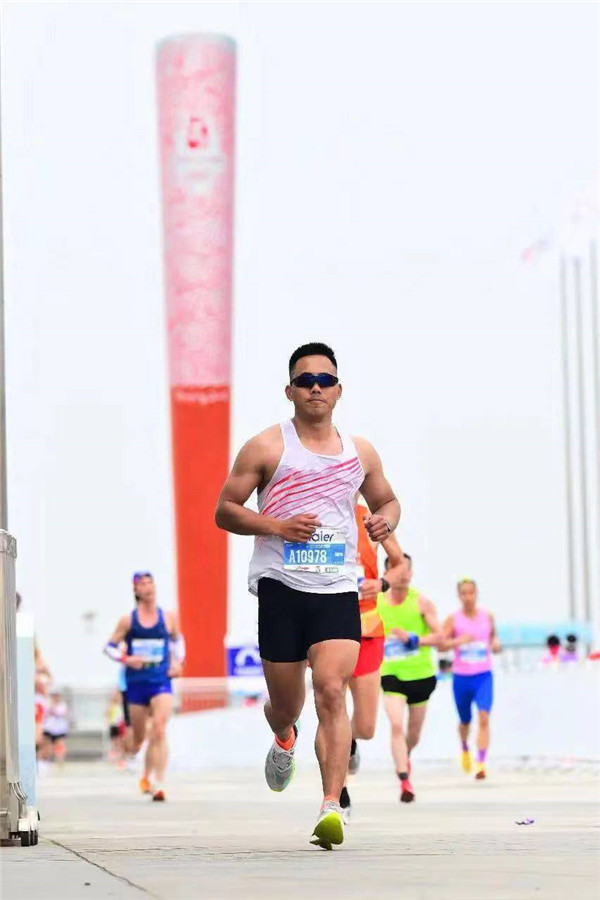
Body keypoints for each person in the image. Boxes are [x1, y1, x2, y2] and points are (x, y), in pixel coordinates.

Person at [215, 342, 400, 849]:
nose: (315, 387)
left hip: (336, 587)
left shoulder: (360, 452)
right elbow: (225, 509)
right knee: (286, 704)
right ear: (290, 390)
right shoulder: (266, 447)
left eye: (324, 380)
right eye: (305, 380)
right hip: (280, 586)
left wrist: (386, 522)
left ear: (338, 390)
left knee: (332, 690)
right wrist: (278, 525)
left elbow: (386, 500)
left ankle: (330, 805)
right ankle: (284, 735)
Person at [340, 497, 404, 822]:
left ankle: (350, 741)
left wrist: (381, 583)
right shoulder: (313, 509)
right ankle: (337, 794)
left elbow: (401, 564)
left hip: (367, 628)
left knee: (366, 727)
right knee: (332, 711)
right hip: (328, 626)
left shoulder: (370, 519)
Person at [104, 572, 185, 801]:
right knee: (137, 740)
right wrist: (127, 659)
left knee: (159, 729)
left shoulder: (167, 617)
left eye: (151, 583)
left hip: (161, 680)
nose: (148, 587)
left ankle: (158, 783)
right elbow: (109, 647)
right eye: (142, 584)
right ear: (135, 590)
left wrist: (179, 663)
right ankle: (143, 770)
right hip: (136, 684)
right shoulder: (128, 621)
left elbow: (178, 640)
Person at [377, 553, 443, 802]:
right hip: (390, 673)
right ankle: (404, 780)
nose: (403, 574)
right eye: (397, 569)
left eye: (406, 569)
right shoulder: (376, 603)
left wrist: (413, 639)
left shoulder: (421, 602)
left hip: (421, 675)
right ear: (387, 574)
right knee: (396, 725)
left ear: (411, 573)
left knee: (412, 736)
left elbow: (440, 637)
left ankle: (405, 758)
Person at [442, 578, 501, 780]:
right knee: (465, 721)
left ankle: (481, 763)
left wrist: (495, 644)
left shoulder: (488, 617)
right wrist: (459, 640)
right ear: (459, 596)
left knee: (484, 717)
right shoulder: (453, 619)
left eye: (471, 593)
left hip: (483, 675)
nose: (468, 597)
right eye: (464, 593)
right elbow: (441, 645)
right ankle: (465, 747)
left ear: (476, 594)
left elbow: (493, 638)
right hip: (461, 677)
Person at [42, 690, 70, 764]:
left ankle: (59, 758)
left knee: (59, 743)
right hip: (49, 727)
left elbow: (59, 713)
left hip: (59, 729)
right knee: (47, 743)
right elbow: (45, 713)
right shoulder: (48, 704)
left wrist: (53, 708)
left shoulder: (62, 705)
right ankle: (45, 759)